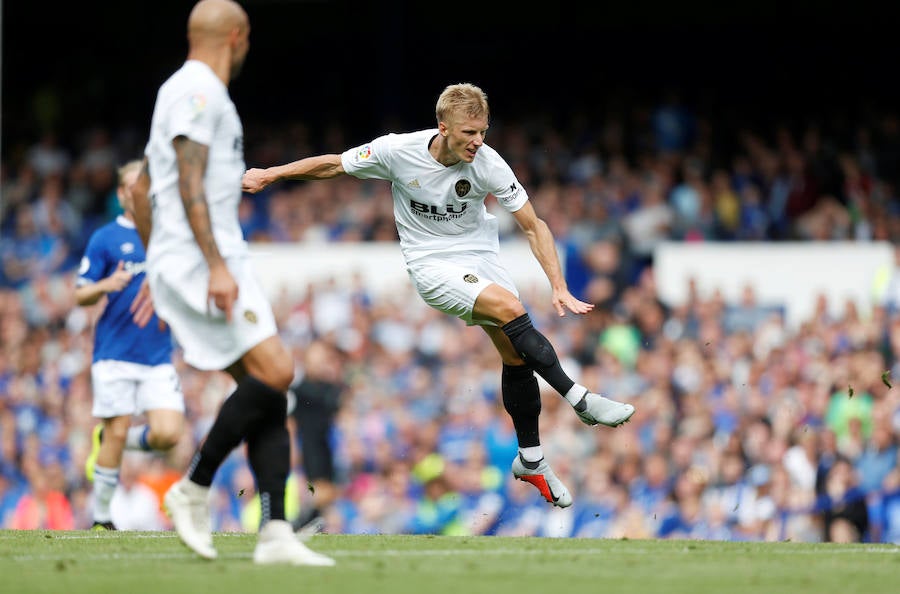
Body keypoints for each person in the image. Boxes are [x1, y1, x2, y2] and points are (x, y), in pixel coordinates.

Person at [242, 82, 636, 508]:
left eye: (483, 131)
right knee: (511, 308)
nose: (478, 141)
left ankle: (531, 459)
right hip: (430, 264)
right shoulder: (398, 151)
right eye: (469, 132)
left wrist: (558, 285)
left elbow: (533, 224)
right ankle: (580, 399)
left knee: (514, 353)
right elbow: (334, 165)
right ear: (443, 126)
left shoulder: (488, 163)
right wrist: (272, 174)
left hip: (480, 256)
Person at [129, 0, 333, 565]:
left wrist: (155, 260)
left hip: (194, 258)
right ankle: (192, 488)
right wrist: (211, 264)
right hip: (205, 261)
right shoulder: (200, 91)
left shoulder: (179, 90)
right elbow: (188, 181)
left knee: (270, 394)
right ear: (238, 37)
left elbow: (142, 187)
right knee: (277, 372)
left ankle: (275, 535)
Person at [76, 159, 185, 531]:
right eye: (132, 185)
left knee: (170, 434)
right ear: (123, 193)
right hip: (115, 353)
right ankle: (103, 519)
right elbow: (80, 294)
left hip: (157, 353)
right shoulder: (105, 238)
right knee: (119, 427)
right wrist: (106, 285)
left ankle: (109, 440)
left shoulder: (167, 235)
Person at [290, 339, 344, 535]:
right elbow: (291, 421)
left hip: (326, 445)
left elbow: (336, 408)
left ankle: (308, 526)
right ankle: (297, 526)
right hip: (310, 446)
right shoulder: (300, 388)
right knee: (321, 492)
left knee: (327, 494)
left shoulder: (329, 387)